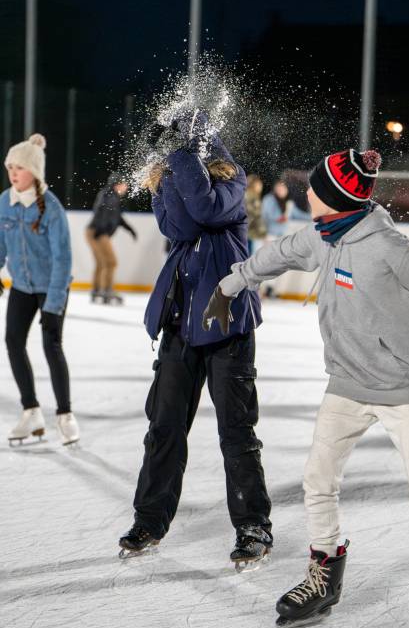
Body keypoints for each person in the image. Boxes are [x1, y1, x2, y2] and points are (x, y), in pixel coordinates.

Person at [203, 148, 409, 628]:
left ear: (335, 198)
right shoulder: (322, 237)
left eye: (314, 188)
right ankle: (325, 575)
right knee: (318, 480)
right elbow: (271, 257)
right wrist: (228, 288)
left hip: (403, 388)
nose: (307, 193)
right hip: (346, 383)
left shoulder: (391, 248)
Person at [118, 110, 272, 569]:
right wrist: (175, 166)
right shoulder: (174, 179)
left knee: (236, 432)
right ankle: (150, 519)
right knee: (163, 428)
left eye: (184, 143)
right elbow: (179, 228)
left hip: (227, 328)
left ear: (199, 143)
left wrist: (184, 154)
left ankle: (252, 525)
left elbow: (205, 210)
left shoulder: (233, 182)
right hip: (181, 326)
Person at [0, 133, 79, 446]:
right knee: (12, 341)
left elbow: (63, 260)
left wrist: (53, 305)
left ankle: (64, 414)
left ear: (34, 171)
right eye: (10, 168)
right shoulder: (5, 202)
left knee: (51, 345)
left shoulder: (52, 209)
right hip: (21, 285)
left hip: (51, 287)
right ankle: (31, 409)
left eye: (19, 168)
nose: (13, 174)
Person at [85, 173, 137, 304]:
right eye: (124, 184)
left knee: (102, 262)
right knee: (111, 262)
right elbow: (100, 210)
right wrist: (100, 228)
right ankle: (106, 290)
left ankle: (97, 289)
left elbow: (117, 218)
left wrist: (130, 229)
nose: (126, 187)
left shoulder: (112, 197)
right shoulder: (109, 196)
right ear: (117, 184)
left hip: (94, 230)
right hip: (98, 231)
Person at [245, 174, 267, 254]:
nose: (261, 186)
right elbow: (257, 217)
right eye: (259, 184)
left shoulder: (243, 195)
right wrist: (263, 234)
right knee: (253, 260)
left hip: (245, 233)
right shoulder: (254, 198)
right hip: (253, 234)